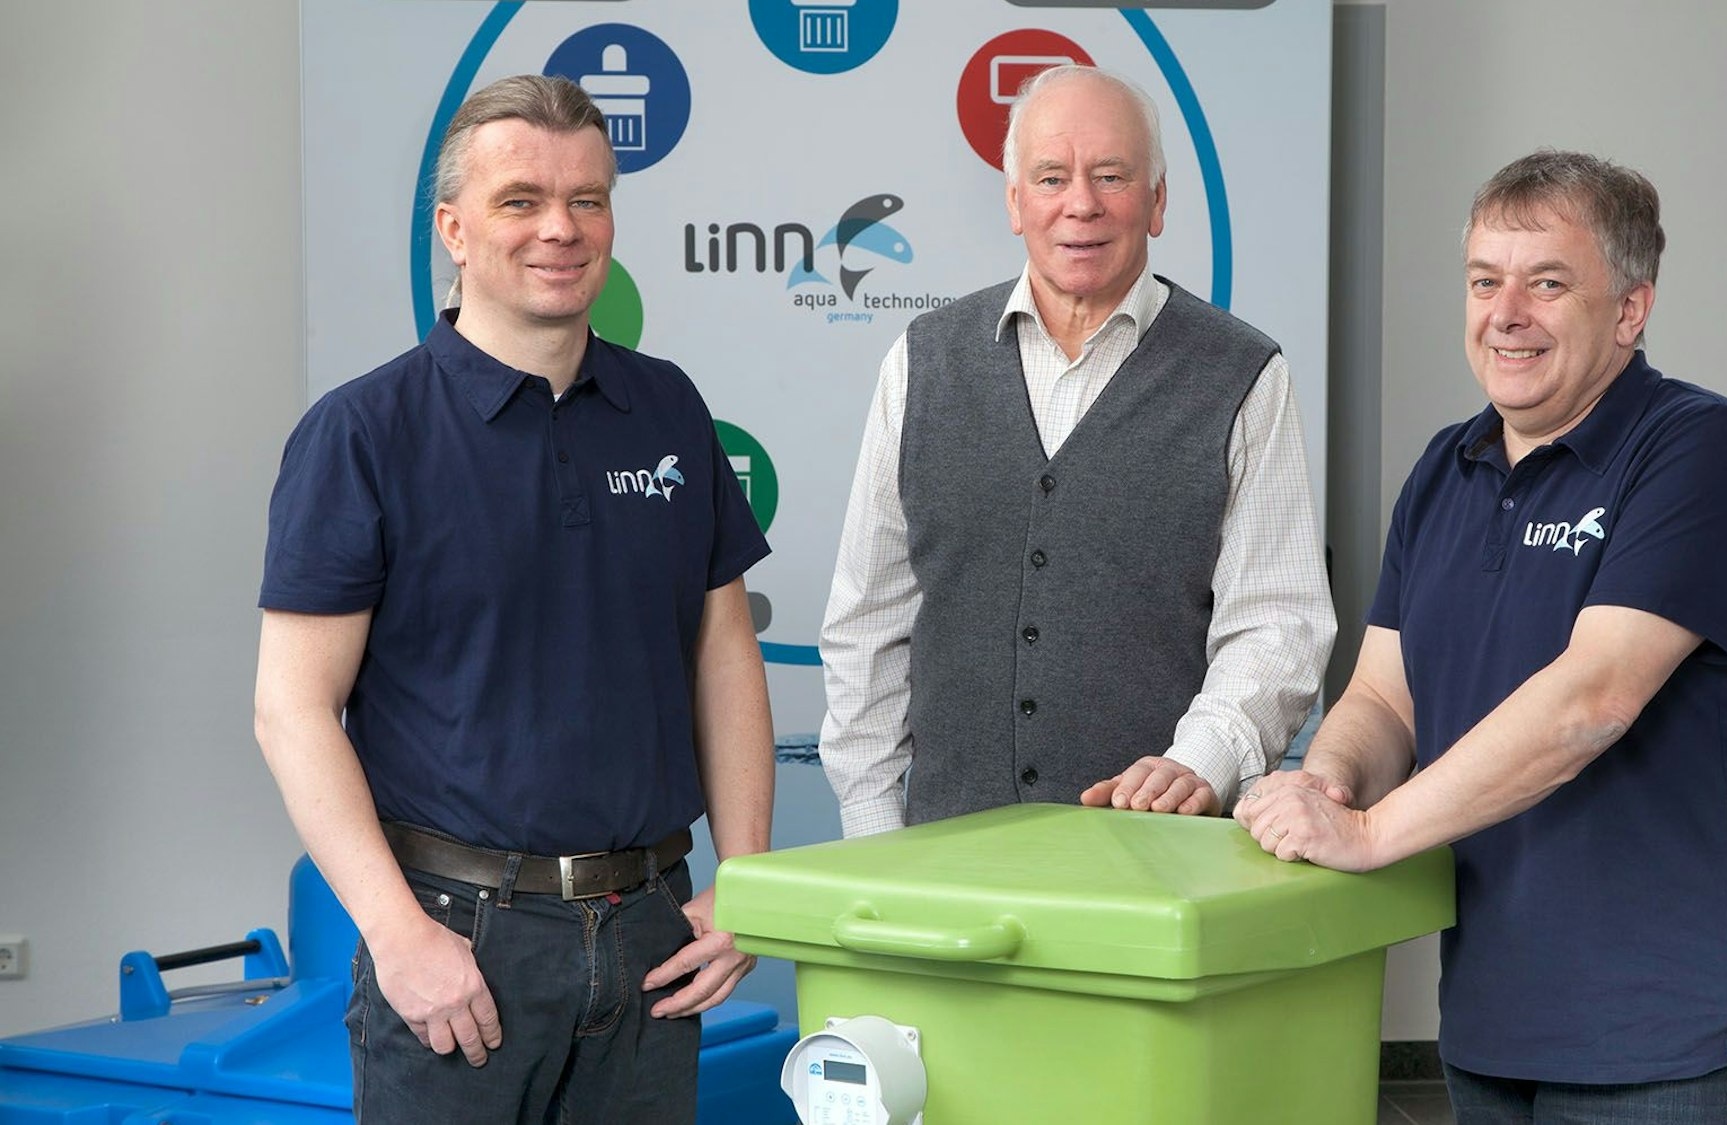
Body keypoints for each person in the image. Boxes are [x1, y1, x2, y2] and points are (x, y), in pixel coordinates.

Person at [1237, 150, 1727, 1121]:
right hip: (1492, 1012)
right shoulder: (1444, 469)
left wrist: (1369, 831)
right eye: (1483, 281)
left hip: (1660, 1028)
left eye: (1546, 283)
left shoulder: (1701, 449)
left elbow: (1594, 699)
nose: (1505, 314)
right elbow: (1382, 698)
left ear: (1629, 310)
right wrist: (1325, 783)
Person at [253, 74, 773, 1124]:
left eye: (587, 200)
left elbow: (722, 653)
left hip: (651, 935)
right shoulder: (363, 433)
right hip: (459, 943)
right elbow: (291, 708)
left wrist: (752, 881)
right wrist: (397, 935)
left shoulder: (667, 406)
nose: (561, 229)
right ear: (453, 229)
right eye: (521, 200)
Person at [817, 64, 1335, 838]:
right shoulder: (921, 363)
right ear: (1014, 201)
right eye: (1052, 176)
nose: (1081, 203)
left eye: (1112, 176)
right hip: (942, 861)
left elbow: (1278, 622)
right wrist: (871, 826)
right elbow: (869, 621)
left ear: (1157, 201)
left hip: (1157, 860)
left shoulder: (1244, 375)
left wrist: (1199, 760)